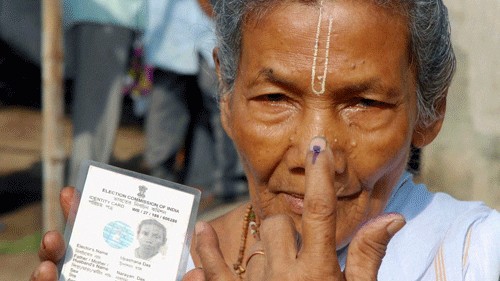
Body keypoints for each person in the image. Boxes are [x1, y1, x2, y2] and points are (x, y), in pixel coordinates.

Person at [32, 0, 500, 280]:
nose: (314, 155)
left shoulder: (476, 256)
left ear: (432, 106)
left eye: (364, 103)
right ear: (227, 95)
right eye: (275, 97)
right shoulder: (159, 260)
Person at [143, 0, 246, 202]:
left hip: (211, 30)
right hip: (173, 31)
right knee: (169, 104)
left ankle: (224, 183)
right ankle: (157, 184)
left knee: (217, 104)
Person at [63, 0, 146, 187]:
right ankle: (84, 193)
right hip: (107, 16)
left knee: (93, 110)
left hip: (101, 15)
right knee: (96, 112)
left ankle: (84, 188)